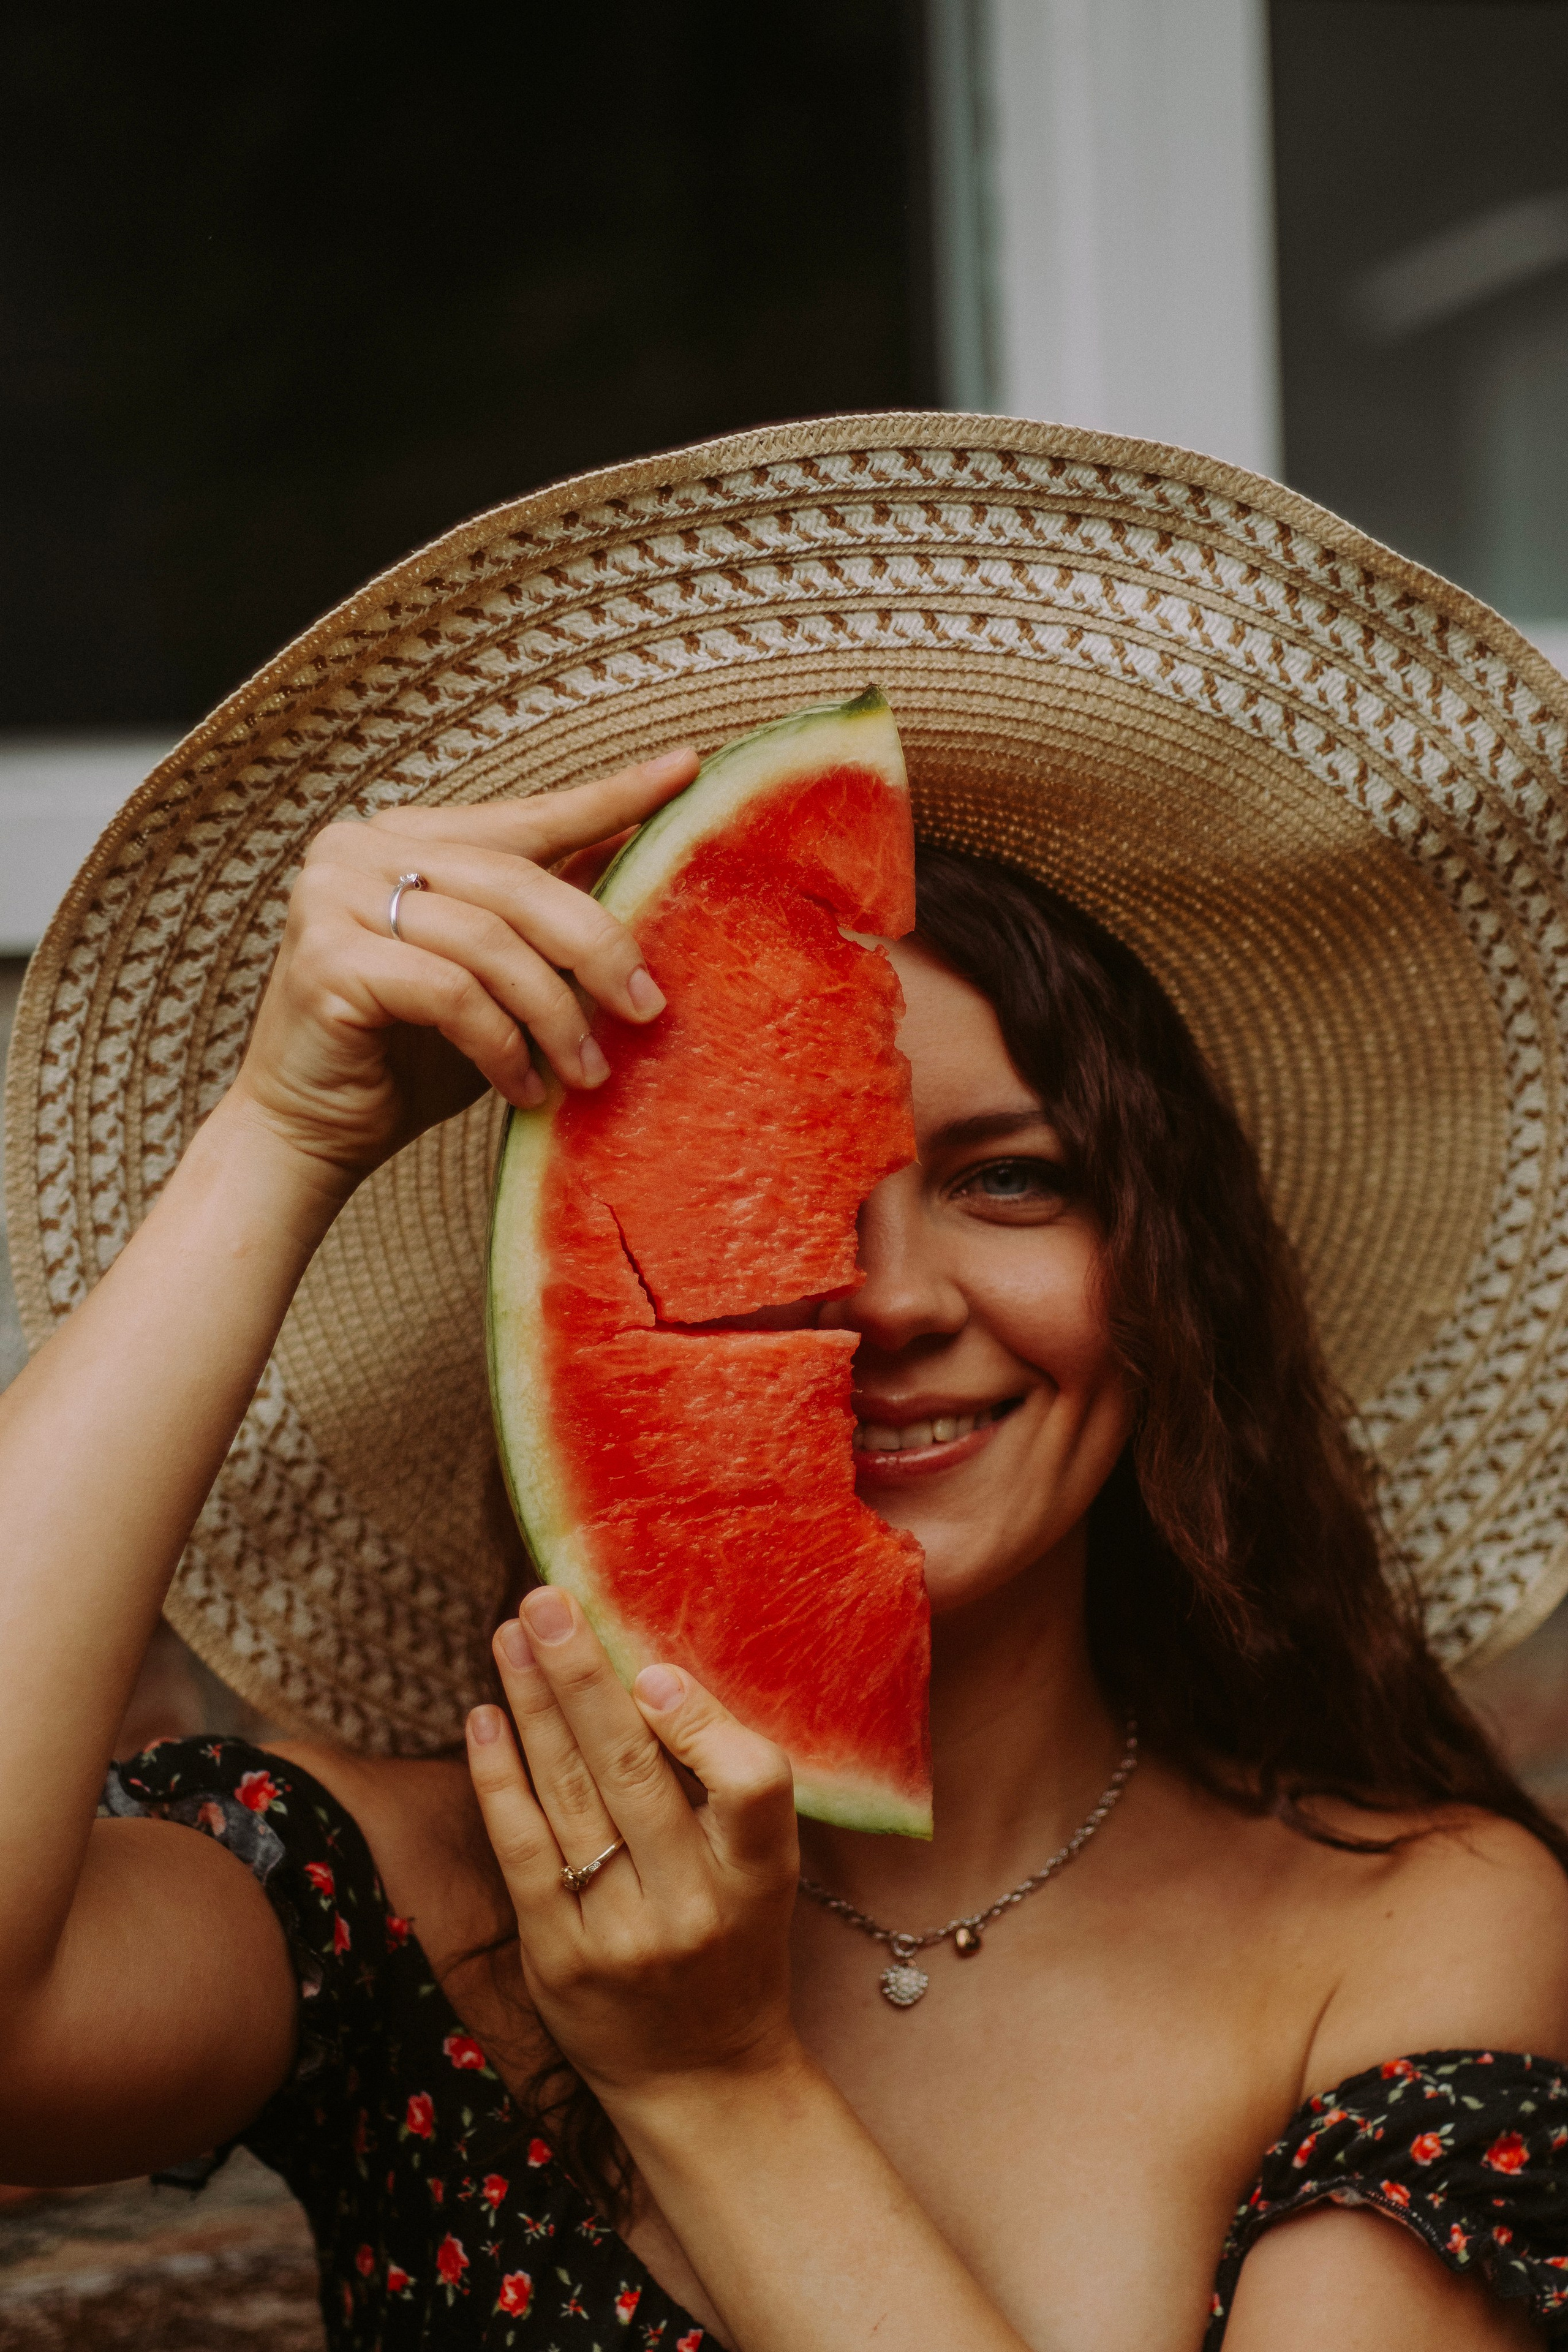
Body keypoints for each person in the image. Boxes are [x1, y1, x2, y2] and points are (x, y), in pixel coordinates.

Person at [4, 413, 1568, 2351]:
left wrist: (713, 2086)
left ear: (1176, 1273)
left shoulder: (1409, 1927)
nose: (885, 1302)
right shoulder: (411, 1885)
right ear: (579, 1309)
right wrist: (280, 1129)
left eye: (1015, 1180)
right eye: (754, 1201)